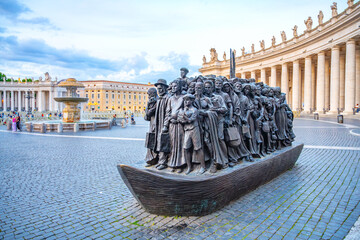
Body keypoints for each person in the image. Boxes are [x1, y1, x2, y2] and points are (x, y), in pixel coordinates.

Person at [178, 93, 206, 174]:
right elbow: (180, 120)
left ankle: (203, 167)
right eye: (185, 100)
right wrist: (183, 118)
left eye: (188, 100)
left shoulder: (194, 110)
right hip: (187, 130)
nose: (186, 102)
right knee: (186, 148)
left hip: (194, 129)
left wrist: (184, 117)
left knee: (198, 148)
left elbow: (191, 120)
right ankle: (189, 167)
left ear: (192, 101)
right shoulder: (183, 110)